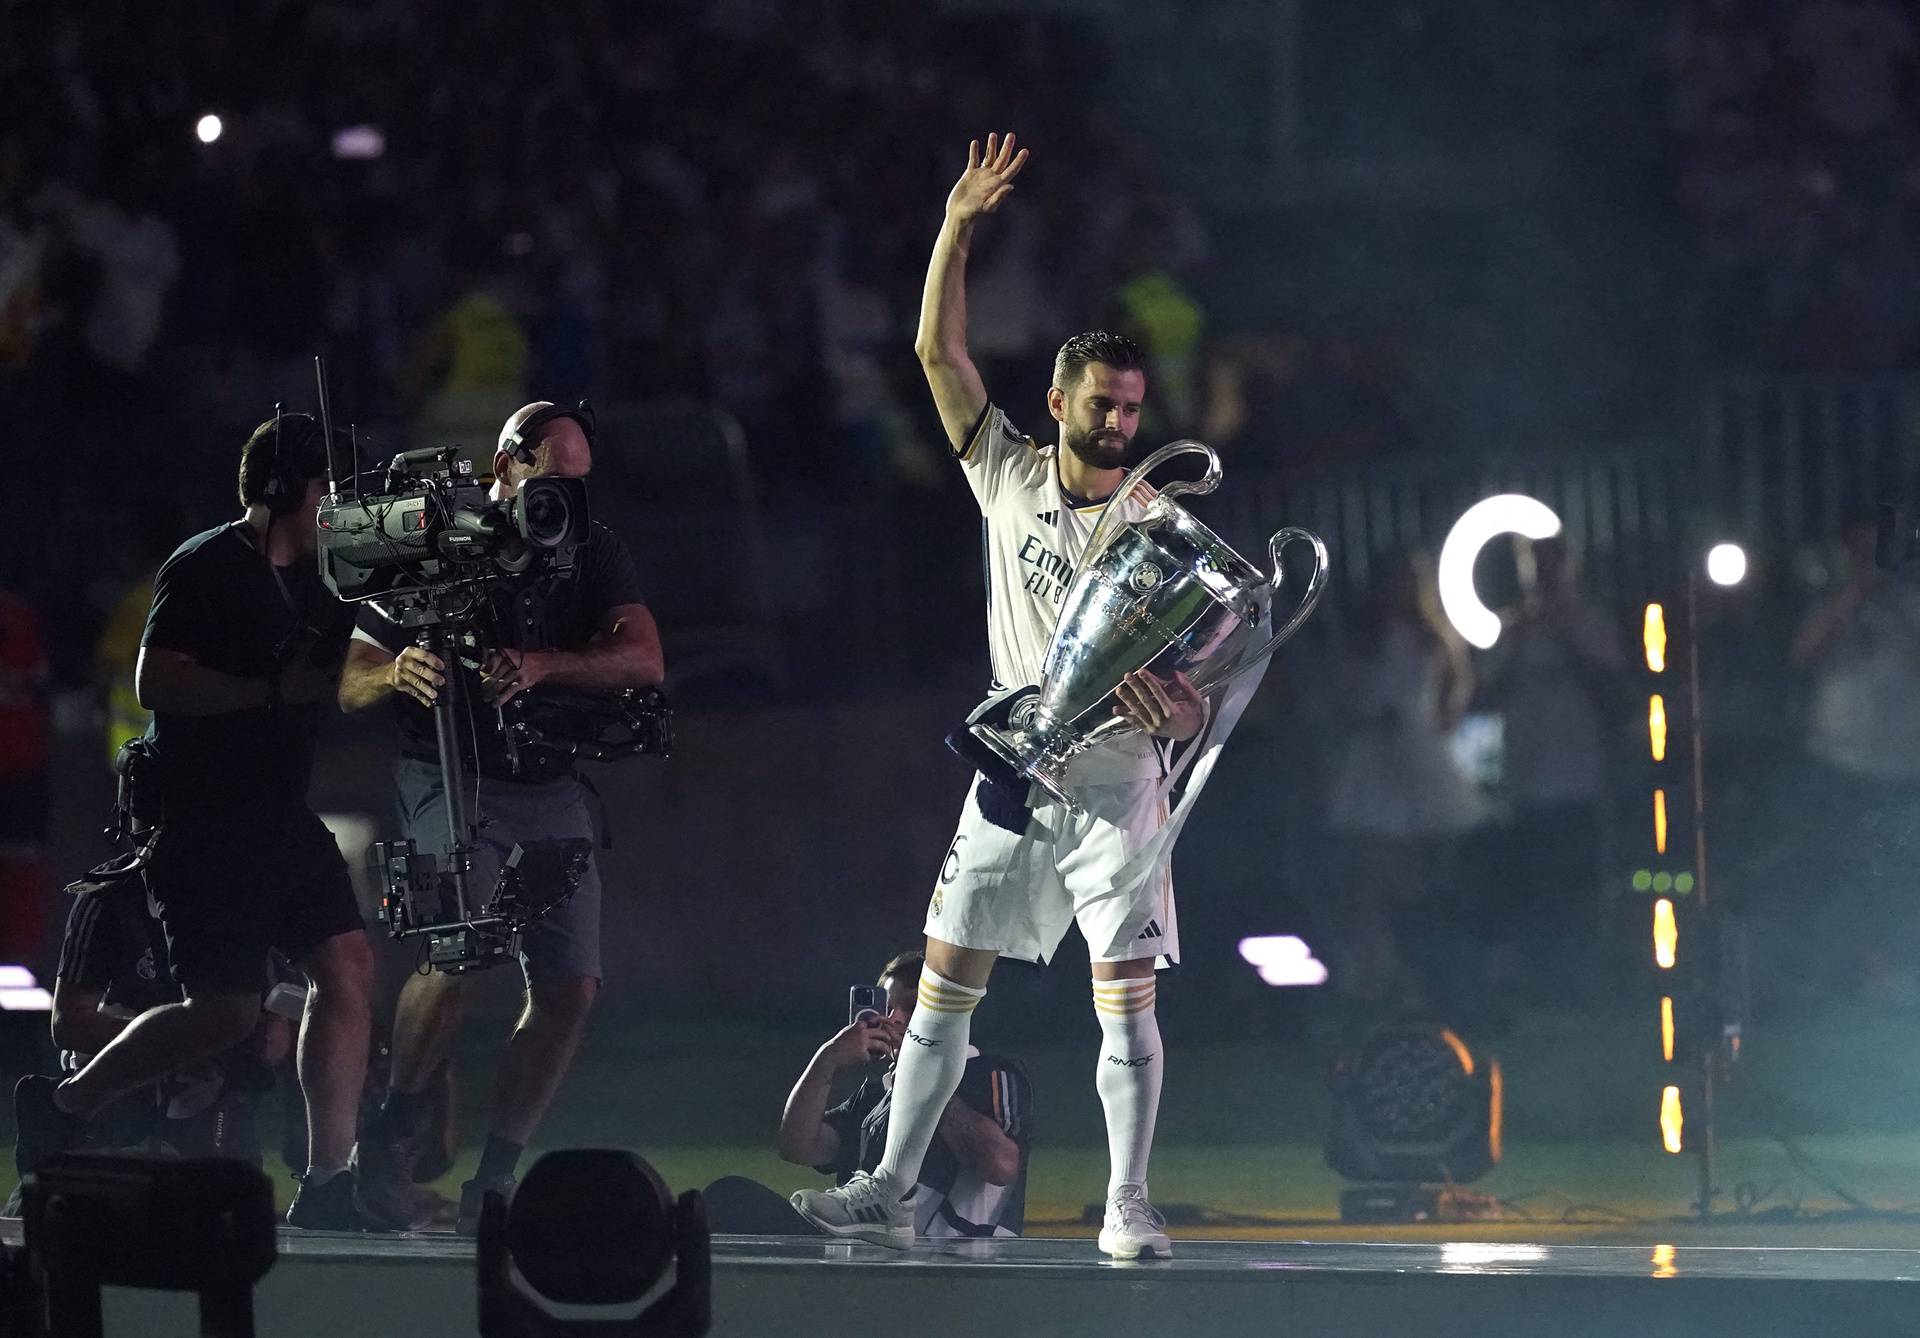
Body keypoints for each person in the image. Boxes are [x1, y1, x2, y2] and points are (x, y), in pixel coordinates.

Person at [794, 134, 1245, 1260]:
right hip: (1014, 765)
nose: (1119, 424)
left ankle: (1126, 1204)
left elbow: (1207, 689)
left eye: (1133, 408)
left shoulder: (1164, 534)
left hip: (1115, 786)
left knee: (1126, 998)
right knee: (945, 981)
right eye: (1102, 403)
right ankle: (891, 1188)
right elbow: (935, 351)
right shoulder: (1004, 468)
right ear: (1058, 399)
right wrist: (956, 224)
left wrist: (1179, 717)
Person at [11, 413, 380, 1230]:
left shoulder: (332, 576)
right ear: (284, 488)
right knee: (228, 1012)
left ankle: (329, 1181)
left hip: (282, 813)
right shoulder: (206, 564)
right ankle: (68, 1104)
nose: (341, 507)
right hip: (204, 816)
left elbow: (360, 660)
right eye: (329, 487)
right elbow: (156, 681)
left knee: (348, 970)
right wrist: (269, 691)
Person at [341, 401, 664, 1234]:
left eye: (580, 487)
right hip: (451, 770)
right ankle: (397, 1127)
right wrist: (399, 671)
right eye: (552, 482)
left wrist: (547, 663)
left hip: (550, 782)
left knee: (570, 988)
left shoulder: (591, 547)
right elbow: (353, 676)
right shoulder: (434, 538)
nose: (564, 505)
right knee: (459, 952)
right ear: (506, 465)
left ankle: (496, 1174)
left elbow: (645, 658)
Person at [762, 950, 1030, 1237]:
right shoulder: (875, 1093)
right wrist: (826, 1061)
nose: (895, 1019)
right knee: (729, 1195)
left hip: (950, 1261)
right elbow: (798, 1147)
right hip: (865, 1254)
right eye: (887, 1008)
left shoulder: (987, 1071)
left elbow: (1000, 1166)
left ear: (945, 1012)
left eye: (912, 1006)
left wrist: (923, 1078)